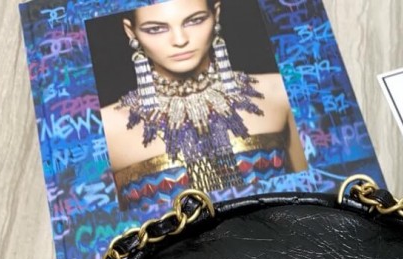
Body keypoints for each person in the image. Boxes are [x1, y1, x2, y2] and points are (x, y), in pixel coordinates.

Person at [100, 0, 308, 207]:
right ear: (131, 31)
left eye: (195, 21)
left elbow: (311, 192)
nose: (180, 40)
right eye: (156, 29)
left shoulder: (278, 92)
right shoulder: (108, 127)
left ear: (216, 14)